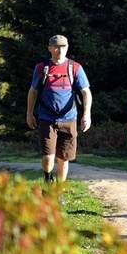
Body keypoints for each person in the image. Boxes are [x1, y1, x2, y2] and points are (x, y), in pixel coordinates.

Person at [26, 34, 92, 187]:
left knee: (64, 158)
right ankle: (48, 178)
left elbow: (86, 92)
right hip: (47, 117)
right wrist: (29, 114)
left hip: (69, 118)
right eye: (56, 47)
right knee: (49, 156)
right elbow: (33, 91)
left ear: (67, 47)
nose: (60, 50)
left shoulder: (75, 68)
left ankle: (58, 191)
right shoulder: (42, 68)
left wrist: (86, 114)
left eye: (63, 47)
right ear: (50, 48)